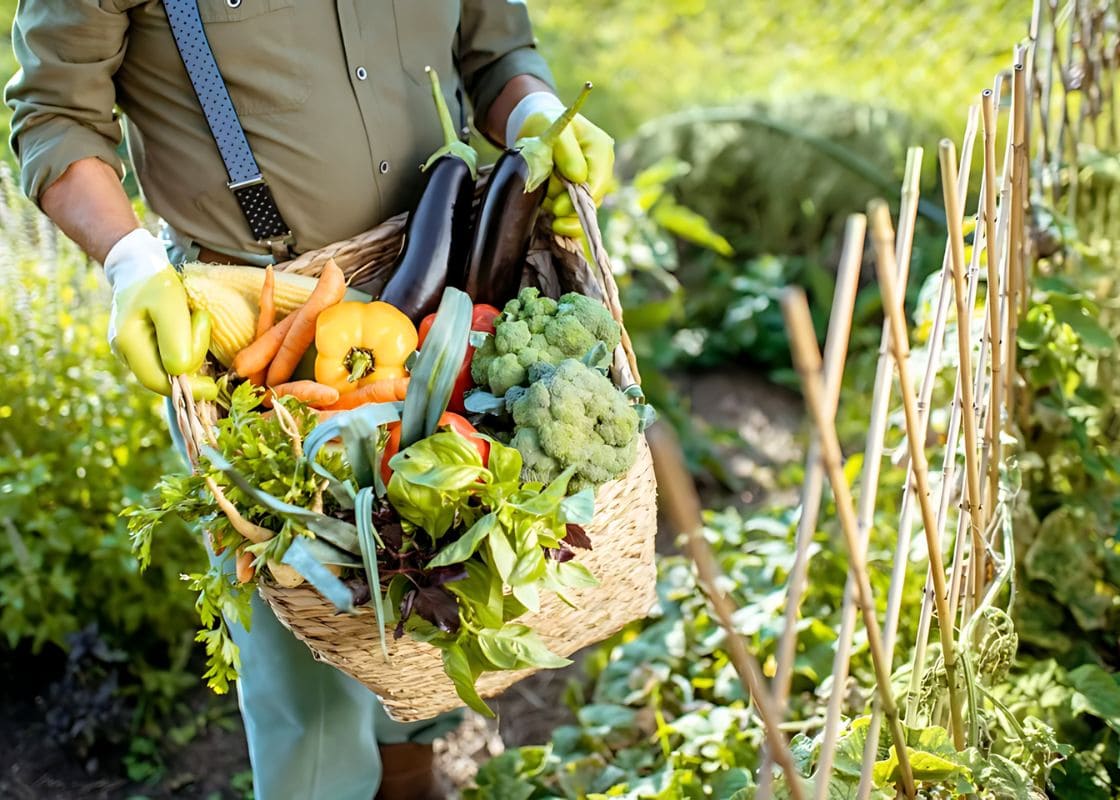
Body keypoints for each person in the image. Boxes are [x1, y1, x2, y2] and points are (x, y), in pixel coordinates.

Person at [5, 3, 614, 798]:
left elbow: (492, 50)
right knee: (310, 661)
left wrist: (534, 108)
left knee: (428, 587)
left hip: (455, 297)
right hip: (264, 335)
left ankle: (411, 775)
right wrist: (128, 261)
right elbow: (55, 114)